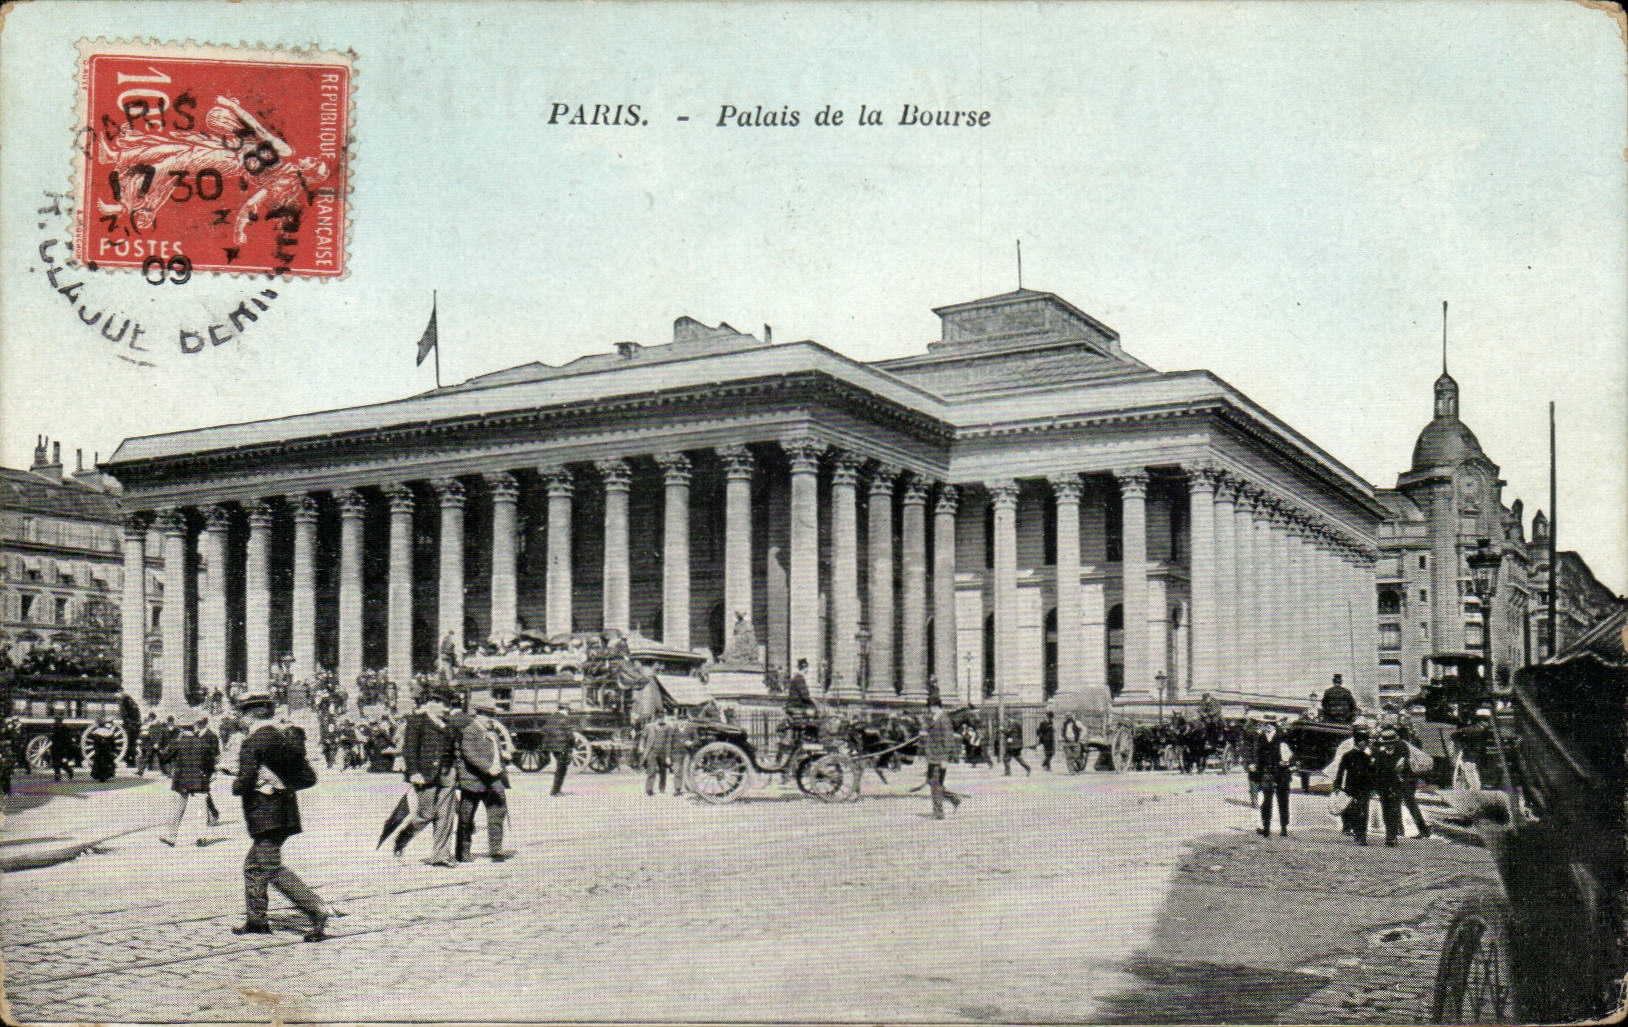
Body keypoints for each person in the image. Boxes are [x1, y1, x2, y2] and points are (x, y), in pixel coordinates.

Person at [231, 689, 331, 941]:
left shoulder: (253, 742)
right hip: (285, 810)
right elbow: (308, 778)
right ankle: (256, 920)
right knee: (253, 866)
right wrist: (280, 784)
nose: (238, 719)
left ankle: (317, 909)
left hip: (265, 812)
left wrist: (237, 783)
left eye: (239, 714)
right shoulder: (284, 737)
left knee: (270, 866)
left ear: (249, 716)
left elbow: (244, 781)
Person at [395, 686, 461, 866]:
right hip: (425, 775)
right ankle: (402, 838)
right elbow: (409, 749)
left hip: (448, 773)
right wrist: (414, 772)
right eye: (443, 705)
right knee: (426, 814)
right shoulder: (417, 721)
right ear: (432, 703)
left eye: (448, 705)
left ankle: (441, 855)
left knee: (446, 815)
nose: (446, 709)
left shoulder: (448, 725)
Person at [456, 702, 514, 862]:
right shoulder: (469, 731)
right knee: (466, 817)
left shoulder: (492, 733)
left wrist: (504, 756)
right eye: (489, 717)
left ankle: (496, 851)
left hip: (493, 781)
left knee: (497, 813)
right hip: (473, 780)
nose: (492, 720)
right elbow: (469, 753)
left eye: (493, 717)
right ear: (479, 716)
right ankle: (462, 852)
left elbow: (495, 753)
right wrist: (488, 768)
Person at [160, 716, 220, 846]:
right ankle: (201, 837)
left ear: (181, 730)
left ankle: (171, 837)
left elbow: (164, 759)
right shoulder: (204, 744)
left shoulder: (177, 743)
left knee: (178, 807)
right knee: (200, 808)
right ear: (194, 728)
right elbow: (211, 764)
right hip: (200, 780)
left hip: (181, 780)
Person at [1248, 716, 1294, 837]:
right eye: (1267, 723)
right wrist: (1252, 763)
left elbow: (1293, 752)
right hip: (1266, 773)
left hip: (1282, 773)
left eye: (1271, 723)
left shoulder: (1283, 736)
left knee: (1283, 801)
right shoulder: (1260, 738)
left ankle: (1284, 827)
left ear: (1275, 725)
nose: (1268, 726)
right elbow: (1254, 753)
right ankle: (1266, 828)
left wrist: (1288, 762)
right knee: (1266, 801)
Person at [921, 694, 963, 819]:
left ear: (935, 706)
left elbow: (948, 739)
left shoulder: (944, 719)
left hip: (939, 757)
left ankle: (939, 813)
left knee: (936, 785)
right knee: (932, 783)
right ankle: (954, 799)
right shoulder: (936, 718)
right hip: (933, 757)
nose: (929, 710)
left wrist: (945, 759)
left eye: (930, 707)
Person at [1332, 726, 1375, 844]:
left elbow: (1372, 773)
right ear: (1358, 742)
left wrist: (1372, 787)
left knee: (1364, 810)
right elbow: (1341, 772)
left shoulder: (1367, 757)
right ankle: (1357, 831)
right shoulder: (1348, 755)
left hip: (1364, 787)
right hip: (1352, 787)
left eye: (1365, 742)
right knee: (1354, 810)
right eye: (1363, 741)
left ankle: (1362, 834)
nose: (1365, 744)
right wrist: (1338, 786)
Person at [1371, 726, 1409, 846]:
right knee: (1386, 811)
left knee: (1394, 809)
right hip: (1383, 787)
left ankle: (1392, 835)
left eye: (1391, 743)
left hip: (1396, 785)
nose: (1389, 745)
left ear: (1395, 743)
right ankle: (1389, 834)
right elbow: (1376, 772)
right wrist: (1375, 787)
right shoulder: (1379, 754)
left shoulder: (1401, 755)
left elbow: (1407, 771)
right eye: (1386, 743)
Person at [538, 702, 576, 796]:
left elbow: (543, 731)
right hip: (562, 747)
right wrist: (573, 745)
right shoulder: (565, 719)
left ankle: (556, 790)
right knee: (561, 769)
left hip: (552, 747)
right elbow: (570, 736)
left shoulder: (551, 718)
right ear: (566, 710)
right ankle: (555, 791)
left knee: (560, 768)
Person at [638, 712, 674, 796]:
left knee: (663, 771)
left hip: (663, 752)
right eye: (659, 718)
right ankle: (649, 790)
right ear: (656, 718)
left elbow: (669, 742)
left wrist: (668, 756)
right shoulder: (649, 726)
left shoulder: (668, 728)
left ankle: (662, 789)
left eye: (662, 718)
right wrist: (641, 746)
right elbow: (643, 737)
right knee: (652, 770)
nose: (661, 719)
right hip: (652, 752)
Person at [50, 714, 77, 781]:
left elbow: (67, 738)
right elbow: (52, 737)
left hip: (62, 747)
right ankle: (57, 775)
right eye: (56, 720)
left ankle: (69, 771)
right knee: (55, 762)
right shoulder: (54, 727)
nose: (56, 721)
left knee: (61, 762)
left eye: (58, 720)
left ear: (61, 721)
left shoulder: (64, 728)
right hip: (55, 746)